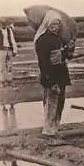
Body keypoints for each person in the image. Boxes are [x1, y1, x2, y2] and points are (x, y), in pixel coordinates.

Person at [34, 10, 72, 142]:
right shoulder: (42, 40)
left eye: (57, 25)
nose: (56, 28)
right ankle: (48, 131)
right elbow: (43, 63)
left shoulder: (58, 38)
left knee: (60, 103)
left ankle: (54, 129)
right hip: (51, 75)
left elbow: (65, 57)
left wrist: (68, 50)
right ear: (47, 25)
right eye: (53, 25)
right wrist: (50, 80)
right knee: (51, 102)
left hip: (61, 73)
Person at [0, 20, 18, 91]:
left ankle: (10, 81)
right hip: (1, 51)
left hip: (9, 50)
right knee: (1, 66)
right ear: (0, 24)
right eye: (2, 24)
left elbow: (12, 40)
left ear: (6, 24)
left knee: (9, 67)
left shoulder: (9, 30)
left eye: (5, 24)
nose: (3, 25)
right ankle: (2, 82)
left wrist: (14, 50)